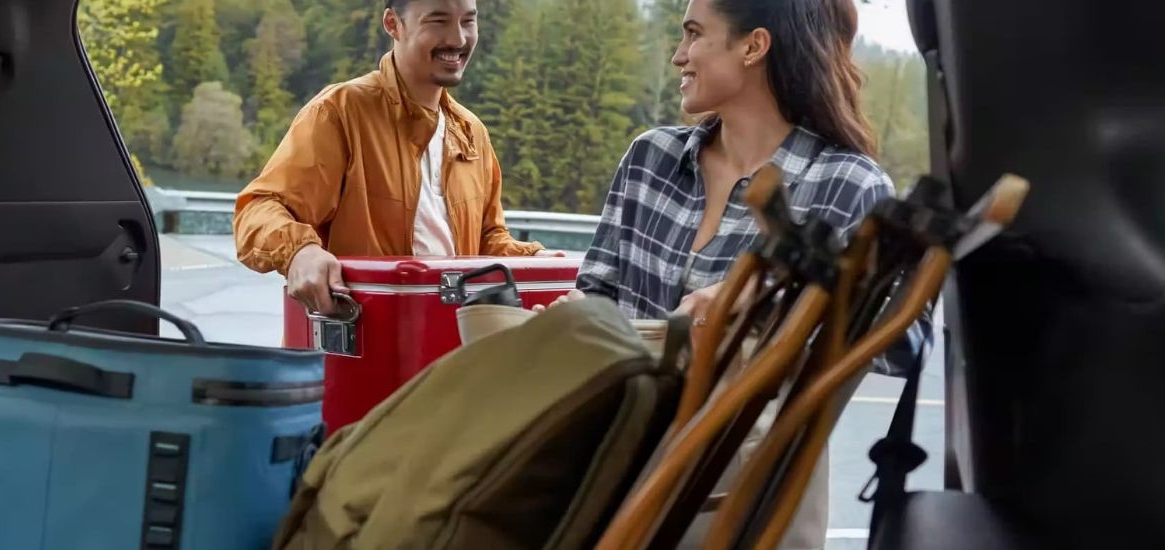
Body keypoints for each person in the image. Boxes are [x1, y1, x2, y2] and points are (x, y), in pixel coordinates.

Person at [552, 0, 934, 548]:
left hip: (753, 497)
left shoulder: (847, 185)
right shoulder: (649, 159)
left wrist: (765, 300)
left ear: (753, 46)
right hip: (618, 473)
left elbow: (906, 341)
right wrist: (570, 320)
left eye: (693, 34)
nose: (679, 55)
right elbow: (597, 294)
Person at [233, 0, 560, 315]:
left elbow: (487, 241)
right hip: (357, 342)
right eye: (438, 20)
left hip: (447, 344)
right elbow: (258, 210)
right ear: (393, 24)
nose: (459, 39)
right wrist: (300, 253)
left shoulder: (471, 132)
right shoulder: (340, 112)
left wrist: (538, 259)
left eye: (468, 20)